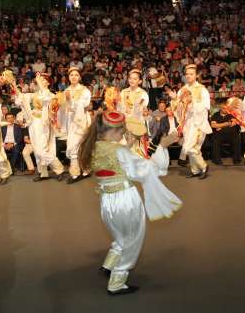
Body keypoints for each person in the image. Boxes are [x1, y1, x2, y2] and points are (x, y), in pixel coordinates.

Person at [77, 111, 181, 295]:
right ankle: (117, 281)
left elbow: (116, 160)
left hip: (107, 202)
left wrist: (128, 146)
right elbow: (146, 170)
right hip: (125, 200)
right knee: (133, 240)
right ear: (117, 132)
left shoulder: (94, 146)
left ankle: (108, 265)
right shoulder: (120, 151)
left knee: (121, 235)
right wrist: (162, 147)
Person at [14, 73, 65, 182]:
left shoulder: (51, 95)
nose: (39, 80)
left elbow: (46, 99)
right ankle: (43, 173)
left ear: (48, 82)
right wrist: (13, 84)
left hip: (44, 123)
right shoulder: (34, 94)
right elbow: (21, 99)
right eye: (39, 79)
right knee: (37, 150)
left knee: (42, 149)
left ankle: (59, 169)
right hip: (33, 122)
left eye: (43, 79)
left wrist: (40, 82)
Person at [169, 64, 212, 179]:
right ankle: (196, 170)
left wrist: (192, 103)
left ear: (197, 75)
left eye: (191, 74)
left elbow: (206, 107)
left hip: (198, 122)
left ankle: (203, 166)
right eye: (187, 74)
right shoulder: (183, 89)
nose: (188, 76)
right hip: (187, 122)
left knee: (190, 147)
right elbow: (177, 108)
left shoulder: (202, 90)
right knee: (192, 148)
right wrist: (174, 100)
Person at [62, 67, 92, 184]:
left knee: (74, 146)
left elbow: (84, 105)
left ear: (79, 77)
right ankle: (86, 169)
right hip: (70, 121)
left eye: (76, 75)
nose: (73, 77)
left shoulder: (85, 90)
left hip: (81, 121)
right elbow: (63, 108)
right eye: (71, 75)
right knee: (78, 147)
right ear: (68, 77)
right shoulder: (66, 91)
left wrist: (71, 101)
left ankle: (75, 173)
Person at [209, 99, 242, 165]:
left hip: (231, 134)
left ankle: (236, 159)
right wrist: (226, 123)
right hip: (219, 135)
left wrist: (220, 126)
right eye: (224, 108)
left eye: (227, 108)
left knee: (237, 139)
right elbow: (213, 125)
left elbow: (233, 123)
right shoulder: (216, 115)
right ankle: (217, 160)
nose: (225, 110)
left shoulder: (231, 114)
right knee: (215, 140)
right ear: (220, 108)